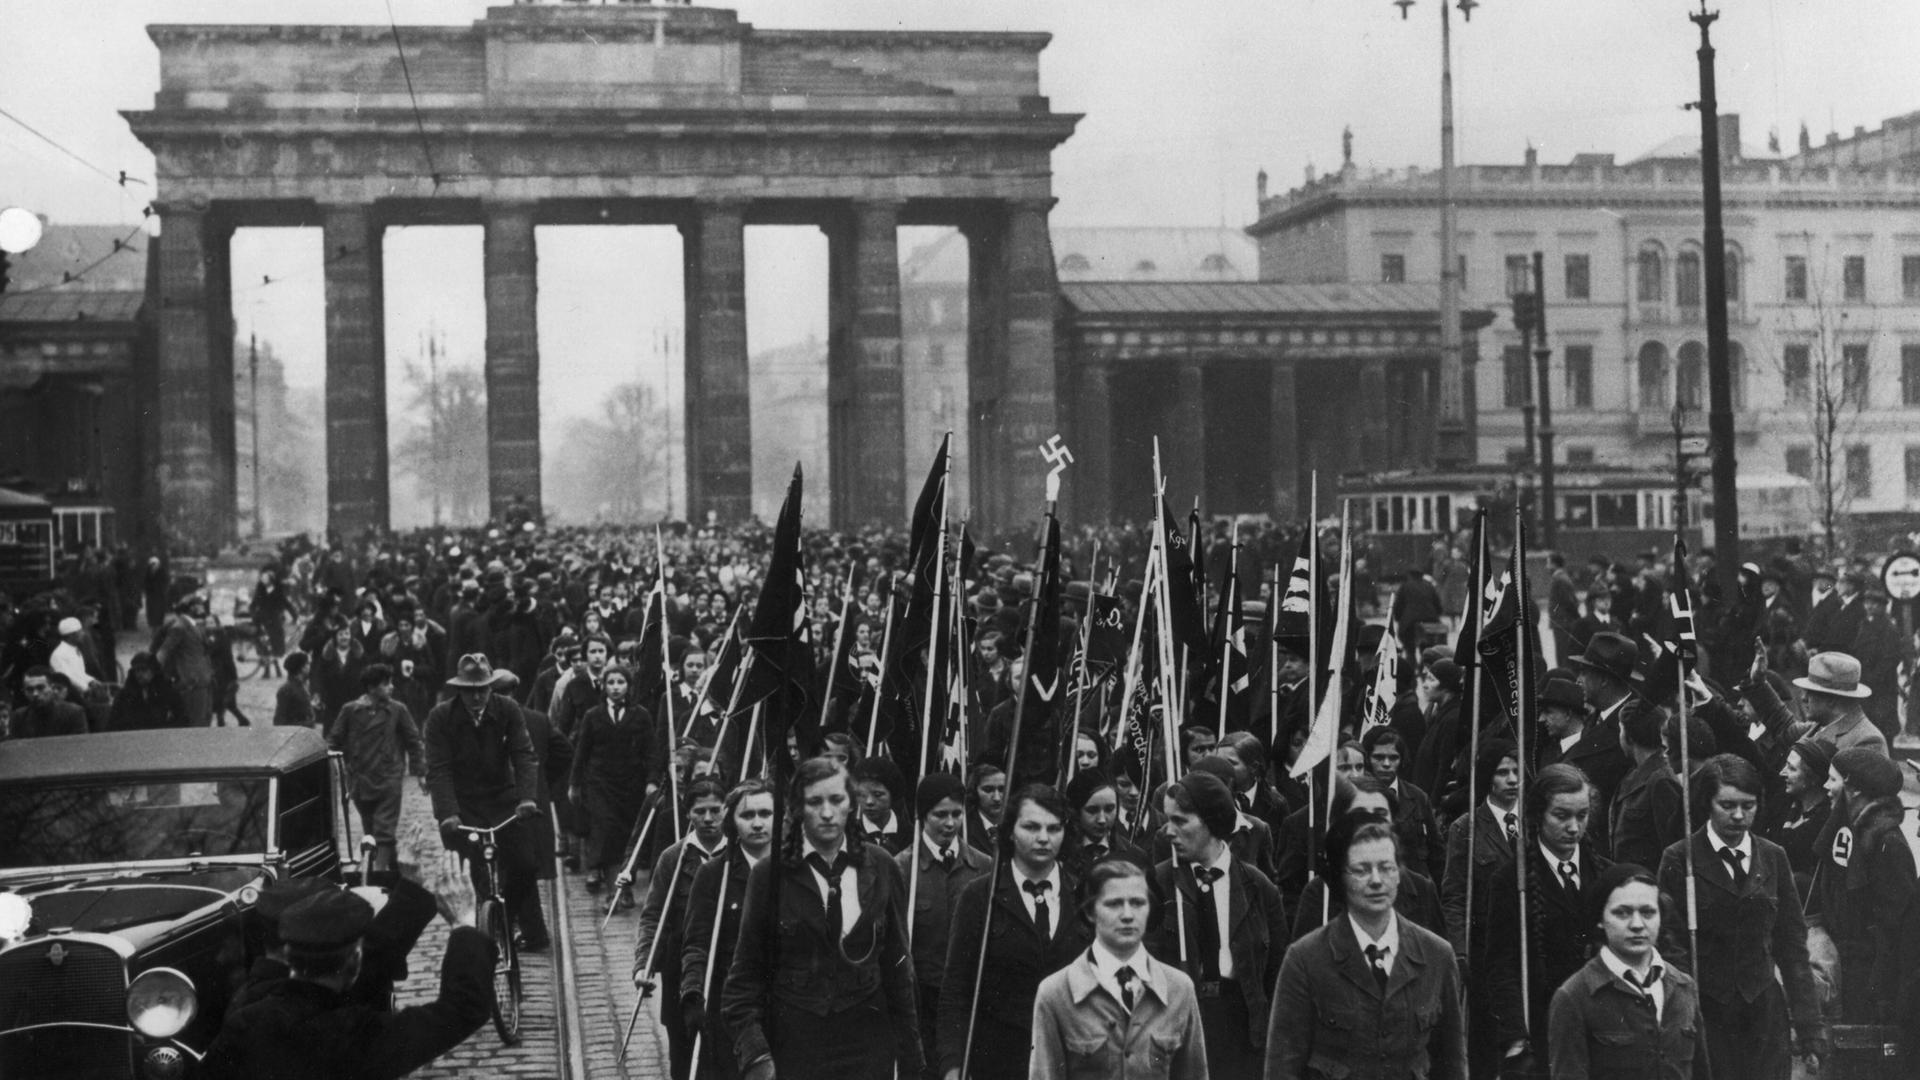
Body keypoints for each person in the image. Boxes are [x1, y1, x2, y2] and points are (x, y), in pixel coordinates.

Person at [720, 757, 923, 1080]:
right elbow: (743, 979)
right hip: (797, 1043)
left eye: (836, 800)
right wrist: (757, 1055)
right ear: (797, 808)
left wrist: (912, 1062)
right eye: (814, 802)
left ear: (851, 804)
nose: (827, 813)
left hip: (868, 1042)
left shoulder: (881, 865)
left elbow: (899, 971)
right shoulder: (770, 875)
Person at [201, 888, 494, 1080]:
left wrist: (412, 892)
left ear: (288, 955)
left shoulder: (247, 1019)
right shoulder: (358, 1035)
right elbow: (463, 1007)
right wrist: (464, 926)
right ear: (354, 962)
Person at [1656, 753, 1825, 1080]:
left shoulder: (1773, 858)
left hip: (1763, 1019)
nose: (1738, 816)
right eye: (1727, 805)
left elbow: (1792, 949)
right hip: (1706, 1017)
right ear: (1707, 803)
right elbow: (1667, 945)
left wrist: (1810, 1031)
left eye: (1748, 806)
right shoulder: (1680, 858)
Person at [1264, 818, 1467, 1079]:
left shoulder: (1437, 955)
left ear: (1399, 874)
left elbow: (1452, 1064)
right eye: (1361, 870)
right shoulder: (1305, 959)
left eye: (1386, 868)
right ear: (1340, 878)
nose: (1376, 881)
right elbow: (1282, 1068)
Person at [938, 784, 1092, 1080]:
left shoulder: (1085, 892)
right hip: (999, 1060)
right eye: (1031, 827)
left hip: (1073, 1060)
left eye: (1054, 828)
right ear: (1010, 830)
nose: (1044, 838)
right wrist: (952, 1066)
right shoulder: (981, 895)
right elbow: (956, 990)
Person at [1147, 769, 1287, 1079]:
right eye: (1167, 819)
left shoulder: (1258, 886)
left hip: (1242, 1027)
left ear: (1212, 821)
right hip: (1179, 1023)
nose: (1168, 831)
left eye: (1180, 821)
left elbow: (1277, 971)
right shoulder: (1159, 882)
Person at [1029, 859, 1209, 1080]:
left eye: (1137, 903)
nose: (1127, 915)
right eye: (1114, 904)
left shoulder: (1179, 988)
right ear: (1090, 912)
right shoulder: (1056, 993)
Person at [1484, 762, 1610, 1075]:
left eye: (1582, 815)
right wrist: (1515, 1035)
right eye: (1561, 815)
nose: (1573, 827)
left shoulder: (1605, 874)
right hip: (1543, 1027)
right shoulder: (1513, 881)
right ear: (1539, 814)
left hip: (1602, 1028)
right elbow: (1501, 965)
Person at [423, 653, 548, 952]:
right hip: (462, 805)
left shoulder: (507, 709)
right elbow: (438, 769)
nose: (477, 696)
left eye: (483, 689)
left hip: (502, 801)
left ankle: (507, 914)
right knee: (469, 872)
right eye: (470, 690)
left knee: (525, 865)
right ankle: (480, 929)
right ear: (459, 690)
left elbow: (524, 753)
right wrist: (448, 813)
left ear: (492, 687)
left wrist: (527, 798)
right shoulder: (441, 717)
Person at [1546, 864, 1711, 1080]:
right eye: (1622, 913)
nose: (1637, 924)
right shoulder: (1575, 996)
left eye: (1648, 912)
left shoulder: (1683, 987)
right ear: (1600, 920)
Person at [1810, 747, 1918, 1033]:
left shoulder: (1888, 845)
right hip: (1845, 968)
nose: (1825, 787)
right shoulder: (1849, 832)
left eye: (1832, 780)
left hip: (1867, 981)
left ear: (1854, 789)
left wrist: (1880, 993)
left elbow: (1895, 929)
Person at [896, 773, 992, 1080]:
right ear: (923, 815)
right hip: (921, 1001)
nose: (949, 823)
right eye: (940, 815)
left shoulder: (982, 866)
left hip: (969, 1000)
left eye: (956, 814)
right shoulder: (902, 868)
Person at [680, 779, 777, 1080]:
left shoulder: (794, 871)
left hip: (788, 1003)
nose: (758, 823)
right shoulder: (714, 875)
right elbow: (696, 942)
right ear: (732, 822)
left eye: (765, 814)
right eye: (747, 816)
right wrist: (693, 992)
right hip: (732, 1007)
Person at [634, 776, 729, 1080]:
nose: (709, 818)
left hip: (728, 968)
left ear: (727, 810)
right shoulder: (673, 858)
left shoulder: (737, 854)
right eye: (700, 811)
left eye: (716, 810)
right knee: (684, 1052)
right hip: (681, 969)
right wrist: (644, 964)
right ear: (688, 813)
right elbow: (653, 916)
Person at [1440, 740, 1519, 1079]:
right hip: (1486, 950)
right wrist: (1460, 954)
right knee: (1487, 1040)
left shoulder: (1535, 822)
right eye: (1503, 772)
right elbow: (1455, 895)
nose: (1512, 779)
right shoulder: (1466, 829)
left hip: (1529, 946)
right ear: (1488, 778)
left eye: (1516, 771)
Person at [1290, 777, 1446, 943]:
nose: (1371, 822)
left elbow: (1438, 963)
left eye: (1380, 814)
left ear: (1393, 821)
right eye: (1359, 814)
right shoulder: (1320, 892)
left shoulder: (1421, 889)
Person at [569, 663, 658, 896]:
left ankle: (625, 886)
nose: (616, 688)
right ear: (604, 686)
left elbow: (651, 752)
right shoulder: (593, 716)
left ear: (628, 686)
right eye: (611, 683)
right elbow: (582, 752)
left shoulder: (640, 715)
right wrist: (575, 784)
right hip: (600, 783)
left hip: (630, 785)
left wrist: (652, 780)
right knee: (605, 831)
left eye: (621, 682)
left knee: (627, 835)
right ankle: (612, 891)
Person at [327, 663, 425, 872]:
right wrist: (338, 765)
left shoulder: (397, 710)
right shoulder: (350, 711)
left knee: (384, 831)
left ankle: (377, 875)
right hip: (361, 782)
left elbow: (413, 741)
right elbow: (333, 741)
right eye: (386, 683)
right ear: (371, 688)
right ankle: (395, 875)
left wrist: (420, 772)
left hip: (389, 779)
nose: (391, 687)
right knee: (372, 831)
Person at [1607, 701, 1685, 870]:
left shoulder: (1661, 781)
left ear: (1629, 736)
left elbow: (1674, 849)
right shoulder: (1635, 773)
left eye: (1621, 730)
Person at [1361, 725, 1444, 879]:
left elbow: (1437, 855)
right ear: (1368, 759)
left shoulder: (1418, 798)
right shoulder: (1358, 797)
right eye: (1379, 757)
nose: (1386, 764)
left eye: (1393, 758)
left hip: (1414, 890)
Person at [1761, 737, 1831, 893]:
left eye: (1791, 769)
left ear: (1813, 778)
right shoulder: (1783, 803)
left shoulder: (1826, 821)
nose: (1782, 773)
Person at [1794, 651, 1888, 756]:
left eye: (1810, 693)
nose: (1803, 698)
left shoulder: (1868, 740)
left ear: (1831, 699)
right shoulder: (1821, 726)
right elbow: (1782, 722)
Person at [1062, 768, 1149, 878]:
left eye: (1109, 809)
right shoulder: (1059, 852)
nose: (1102, 820)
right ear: (1076, 811)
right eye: (1092, 810)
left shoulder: (1135, 857)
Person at [153, 594, 215, 726]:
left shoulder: (191, 624)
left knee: (204, 722)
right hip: (193, 684)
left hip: (202, 681)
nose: (202, 608)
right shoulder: (180, 627)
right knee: (195, 725)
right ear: (191, 607)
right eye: (199, 604)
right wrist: (155, 675)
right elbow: (164, 652)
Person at [109, 651, 187, 731]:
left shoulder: (168, 691)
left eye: (144, 670)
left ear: (153, 671)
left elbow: (181, 719)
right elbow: (114, 723)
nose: (140, 674)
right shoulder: (125, 695)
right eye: (137, 670)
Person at [851, 756, 910, 854]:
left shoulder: (911, 835)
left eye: (877, 795)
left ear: (892, 794)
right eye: (861, 795)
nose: (869, 801)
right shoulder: (849, 835)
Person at [13, 666, 87, 738]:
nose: (35, 694)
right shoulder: (19, 717)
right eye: (30, 689)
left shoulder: (73, 713)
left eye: (40, 688)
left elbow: (79, 746)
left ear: (52, 688)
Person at [965, 762, 1007, 853]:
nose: (997, 798)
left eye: (1002, 789)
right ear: (974, 792)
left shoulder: (1016, 825)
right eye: (988, 790)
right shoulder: (964, 828)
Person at [273, 651, 318, 728]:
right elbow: (279, 721)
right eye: (308, 664)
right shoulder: (286, 690)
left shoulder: (302, 685)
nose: (310, 667)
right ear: (302, 668)